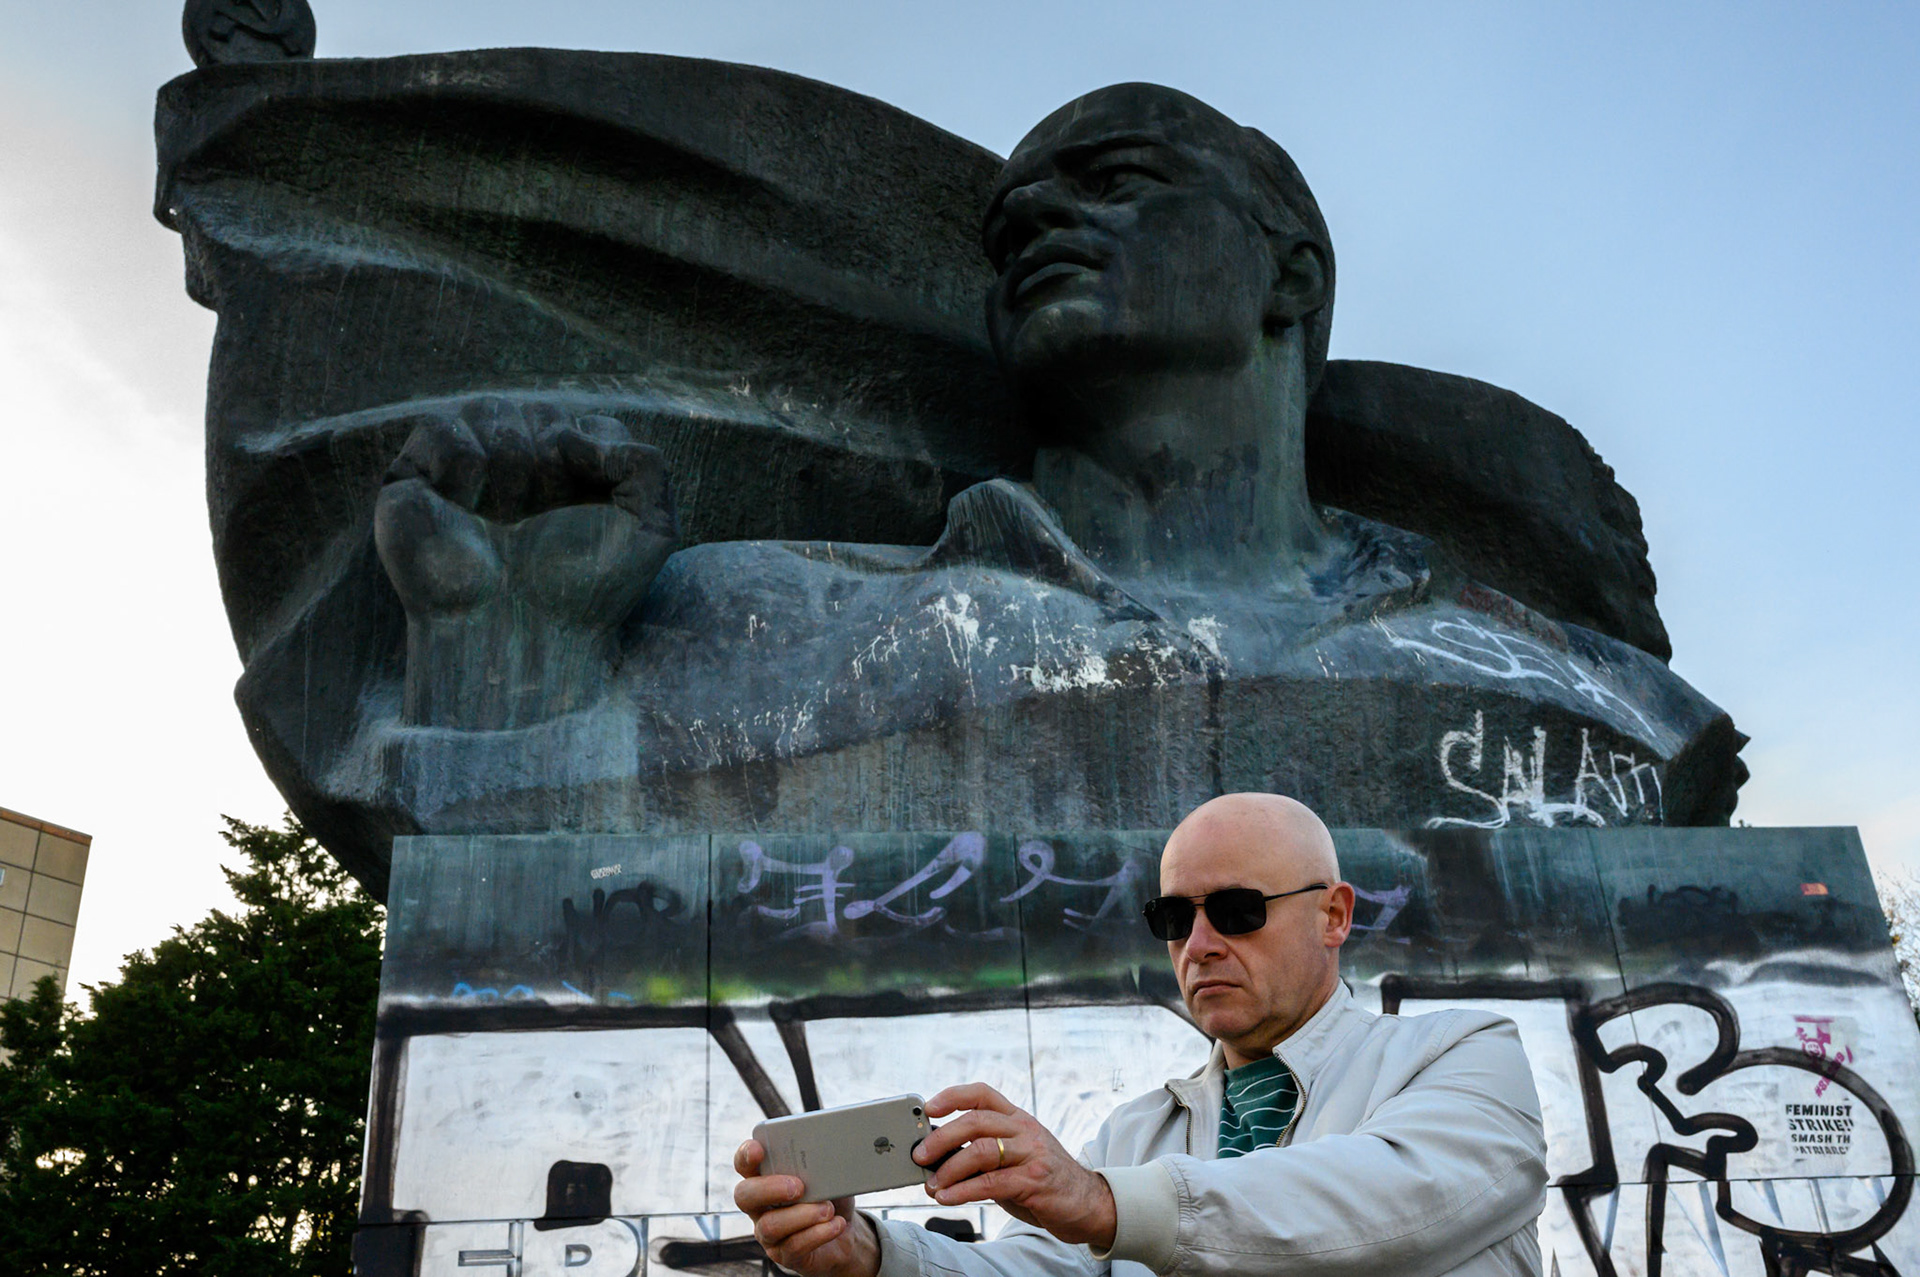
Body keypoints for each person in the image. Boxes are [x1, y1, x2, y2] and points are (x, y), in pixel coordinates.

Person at [734, 792, 1548, 1277]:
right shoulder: (1136, 1133)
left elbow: (1376, 1201)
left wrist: (1099, 1198)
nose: (1199, 945)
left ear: (1333, 914)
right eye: (1173, 916)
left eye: (1237, 911)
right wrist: (871, 1256)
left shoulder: (1463, 1052)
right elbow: (1039, 1269)